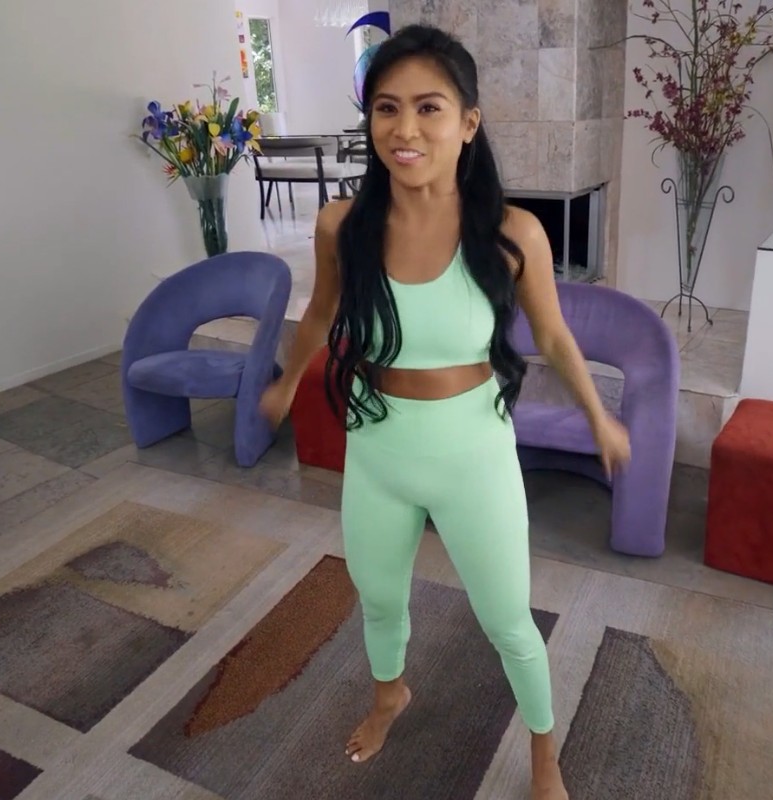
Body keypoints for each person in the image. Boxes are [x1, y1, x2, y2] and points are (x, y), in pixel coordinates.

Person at [258, 23, 630, 800]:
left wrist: (598, 416)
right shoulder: (341, 226)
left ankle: (544, 753)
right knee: (379, 598)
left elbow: (553, 337)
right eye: (386, 108)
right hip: (378, 448)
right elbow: (319, 314)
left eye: (429, 107)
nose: (405, 128)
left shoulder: (510, 233)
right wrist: (288, 381)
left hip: (473, 456)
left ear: (467, 122)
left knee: (507, 621)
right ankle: (389, 694)